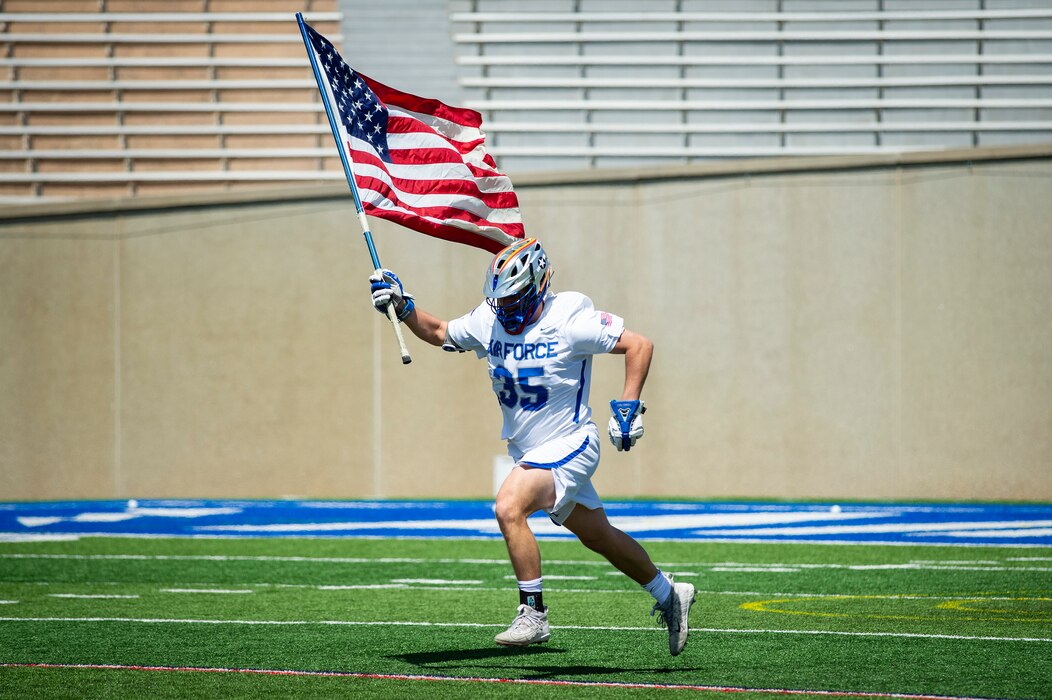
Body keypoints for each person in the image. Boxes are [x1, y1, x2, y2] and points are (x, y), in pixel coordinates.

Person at [369, 238, 696, 656]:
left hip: (572, 442)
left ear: (539, 284)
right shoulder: (491, 318)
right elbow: (440, 331)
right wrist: (404, 305)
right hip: (531, 451)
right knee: (599, 536)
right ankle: (669, 593)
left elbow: (639, 345)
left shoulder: (569, 319)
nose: (507, 307)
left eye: (515, 297)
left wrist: (629, 406)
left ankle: (533, 613)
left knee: (508, 505)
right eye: (501, 299)